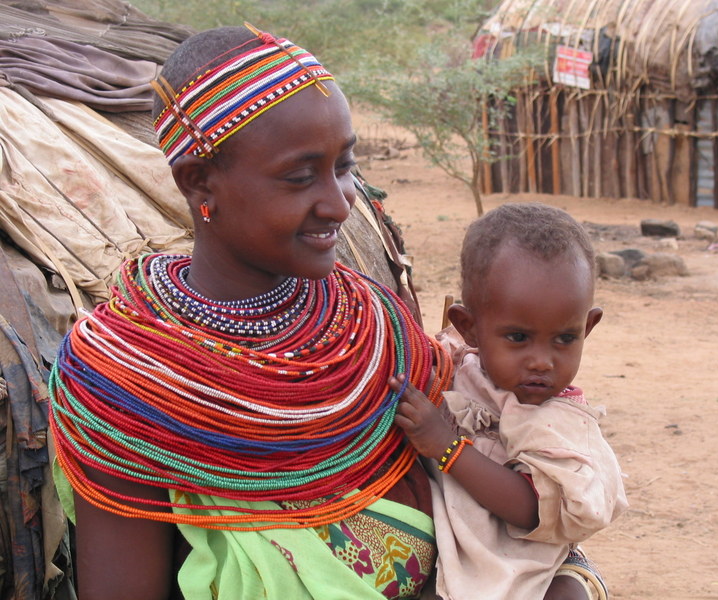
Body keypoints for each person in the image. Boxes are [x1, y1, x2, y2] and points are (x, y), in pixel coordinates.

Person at [48, 24, 452, 600]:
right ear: (198, 182)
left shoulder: (376, 328)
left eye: (344, 166)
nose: (340, 205)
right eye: (299, 176)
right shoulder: (126, 382)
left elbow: (488, 514)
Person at [391, 202, 629, 600]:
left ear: (587, 327)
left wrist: (448, 448)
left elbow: (531, 509)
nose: (542, 361)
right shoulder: (454, 370)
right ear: (468, 327)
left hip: (538, 566)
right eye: (518, 337)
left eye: (565, 338)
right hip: (456, 555)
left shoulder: (560, 424)